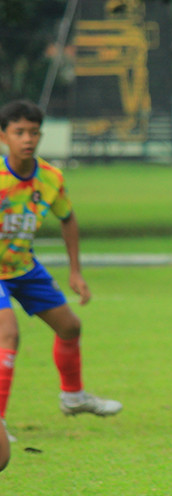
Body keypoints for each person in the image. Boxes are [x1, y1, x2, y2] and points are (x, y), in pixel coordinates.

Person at [0, 99, 122, 450]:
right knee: (8, 334)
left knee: (70, 327)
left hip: (23, 266)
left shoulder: (50, 178)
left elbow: (67, 218)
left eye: (34, 132)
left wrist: (76, 271)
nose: (27, 139)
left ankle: (73, 396)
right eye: (19, 132)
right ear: (4, 136)